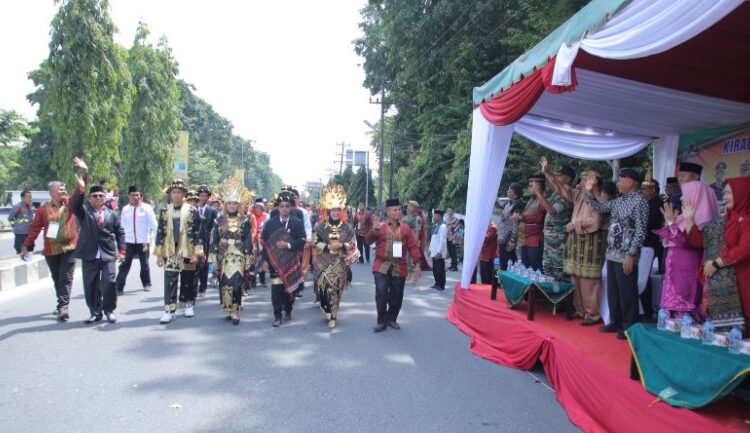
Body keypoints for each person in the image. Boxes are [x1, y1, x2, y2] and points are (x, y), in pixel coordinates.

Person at [542, 159, 606, 326]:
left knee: (588, 280)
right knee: (575, 277)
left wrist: (575, 225)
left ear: (595, 182)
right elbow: (562, 188)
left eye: (586, 180)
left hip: (591, 243)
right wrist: (547, 173)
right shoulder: (579, 194)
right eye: (583, 180)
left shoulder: (601, 196)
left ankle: (592, 314)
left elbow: (596, 222)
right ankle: (579, 309)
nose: (581, 182)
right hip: (576, 242)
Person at [586, 168, 649, 340]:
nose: (618, 183)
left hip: (626, 255)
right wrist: (590, 192)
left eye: (621, 180)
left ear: (631, 182)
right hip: (612, 253)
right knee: (613, 291)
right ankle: (615, 322)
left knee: (627, 292)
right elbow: (600, 207)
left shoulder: (640, 202)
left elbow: (641, 231)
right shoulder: (619, 200)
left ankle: (630, 327)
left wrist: (631, 254)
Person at [688, 177, 750, 331]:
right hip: (725, 286)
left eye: (729, 193)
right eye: (724, 193)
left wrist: (716, 263)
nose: (724, 197)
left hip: (744, 279)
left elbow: (745, 248)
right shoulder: (726, 219)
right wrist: (689, 219)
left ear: (743, 193)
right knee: (727, 334)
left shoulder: (747, 220)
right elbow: (700, 241)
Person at [70, 157, 125, 324]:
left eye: (101, 195)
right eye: (94, 196)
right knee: (91, 285)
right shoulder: (84, 212)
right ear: (89, 199)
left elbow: (120, 232)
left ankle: (109, 310)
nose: (98, 198)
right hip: (89, 254)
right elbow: (74, 205)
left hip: (108, 254)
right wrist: (81, 187)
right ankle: (95, 312)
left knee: (109, 283)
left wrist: (122, 250)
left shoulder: (112, 214)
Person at [656, 181, 718, 319]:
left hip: (688, 268)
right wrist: (671, 222)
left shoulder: (704, 220)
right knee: (672, 307)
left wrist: (672, 223)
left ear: (697, 197)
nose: (682, 199)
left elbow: (687, 243)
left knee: (685, 303)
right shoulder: (683, 218)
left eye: (686, 195)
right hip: (675, 266)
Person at [21, 181, 78, 321]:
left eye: (65, 189)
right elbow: (34, 229)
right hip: (51, 250)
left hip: (70, 248)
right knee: (57, 278)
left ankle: (63, 307)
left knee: (66, 278)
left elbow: (79, 192)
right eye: (60, 190)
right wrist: (26, 246)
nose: (64, 191)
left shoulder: (69, 204)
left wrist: (84, 174)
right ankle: (61, 304)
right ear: (51, 192)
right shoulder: (42, 210)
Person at [365, 198, 423, 332]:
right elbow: (367, 242)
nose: (398, 212)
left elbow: (413, 247)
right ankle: (381, 320)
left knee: (397, 294)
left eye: (399, 209)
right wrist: (372, 231)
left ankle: (392, 319)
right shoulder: (380, 226)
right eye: (395, 210)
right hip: (381, 264)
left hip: (399, 265)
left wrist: (418, 264)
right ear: (388, 212)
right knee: (381, 292)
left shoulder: (406, 228)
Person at [154, 180, 204, 324]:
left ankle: (188, 303)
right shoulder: (165, 210)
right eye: (174, 192)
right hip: (172, 250)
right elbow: (160, 233)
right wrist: (159, 254)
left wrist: (196, 253)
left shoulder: (192, 210)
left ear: (184, 194)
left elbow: (198, 233)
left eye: (179, 192)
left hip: (187, 250)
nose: (176, 195)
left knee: (188, 278)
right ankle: (169, 310)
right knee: (170, 280)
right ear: (170, 194)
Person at [312, 184, 358, 328]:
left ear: (341, 211)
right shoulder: (321, 226)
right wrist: (326, 246)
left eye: (338, 210)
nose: (336, 213)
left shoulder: (347, 227)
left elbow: (353, 244)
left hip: (340, 261)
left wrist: (341, 246)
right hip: (323, 261)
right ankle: (326, 307)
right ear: (329, 210)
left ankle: (333, 316)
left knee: (335, 289)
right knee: (324, 289)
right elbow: (315, 241)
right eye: (333, 210)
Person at [209, 176, 253, 325]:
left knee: (236, 283)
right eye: (230, 203)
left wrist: (248, 259)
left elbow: (248, 240)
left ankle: (236, 311)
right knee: (225, 283)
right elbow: (213, 241)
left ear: (239, 204)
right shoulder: (218, 220)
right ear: (225, 204)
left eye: (235, 203)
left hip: (239, 255)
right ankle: (228, 308)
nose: (232, 206)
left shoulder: (245, 220)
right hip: (223, 255)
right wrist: (213, 260)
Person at [261, 190, 307, 327]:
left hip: (291, 261)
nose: (284, 209)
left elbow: (302, 240)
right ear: (277, 207)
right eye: (281, 206)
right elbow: (265, 243)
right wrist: (264, 260)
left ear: (291, 207)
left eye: (287, 206)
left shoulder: (297, 222)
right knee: (276, 289)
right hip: (275, 263)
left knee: (290, 289)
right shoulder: (270, 223)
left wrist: (287, 244)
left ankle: (288, 309)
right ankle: (277, 316)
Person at [116, 186, 158, 294]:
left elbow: (154, 224)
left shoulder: (147, 208)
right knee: (125, 263)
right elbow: (122, 225)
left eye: (137, 195)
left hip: (143, 241)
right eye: (133, 195)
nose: (135, 197)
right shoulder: (126, 209)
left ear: (140, 196)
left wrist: (158, 239)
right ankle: (119, 286)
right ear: (129, 195)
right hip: (129, 242)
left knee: (144, 264)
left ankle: (147, 283)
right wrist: (122, 240)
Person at [538, 161, 574, 280]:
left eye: (560, 175)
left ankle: (560, 297)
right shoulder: (556, 192)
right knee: (547, 269)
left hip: (559, 241)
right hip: (550, 240)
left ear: (568, 179)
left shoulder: (567, 194)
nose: (556, 177)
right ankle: (549, 297)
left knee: (558, 271)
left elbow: (552, 210)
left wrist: (538, 194)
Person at [640, 175, 664, 319]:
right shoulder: (646, 202)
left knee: (645, 278)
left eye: (645, 188)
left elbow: (649, 223)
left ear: (653, 190)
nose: (642, 191)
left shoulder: (657, 204)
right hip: (645, 244)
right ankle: (644, 309)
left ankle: (648, 311)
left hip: (652, 245)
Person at [513, 175, 547, 271]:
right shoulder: (532, 199)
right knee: (525, 268)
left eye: (532, 185)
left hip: (535, 239)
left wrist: (521, 217)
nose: (529, 188)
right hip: (525, 238)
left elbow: (539, 217)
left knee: (536, 269)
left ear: (539, 186)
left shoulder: (543, 199)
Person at [195, 185, 219, 297]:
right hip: (194, 240)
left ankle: (203, 287)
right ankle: (194, 285)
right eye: (201, 195)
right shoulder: (193, 209)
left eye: (205, 196)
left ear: (208, 197)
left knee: (204, 264)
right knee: (194, 263)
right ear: (198, 196)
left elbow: (216, 225)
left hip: (207, 240)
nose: (203, 198)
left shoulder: (212, 210)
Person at [497, 183, 524, 271]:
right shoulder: (509, 203)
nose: (507, 191)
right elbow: (499, 204)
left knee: (507, 263)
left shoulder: (518, 205)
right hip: (503, 238)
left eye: (510, 190)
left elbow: (516, 224)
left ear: (515, 194)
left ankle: (504, 283)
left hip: (509, 240)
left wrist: (513, 240)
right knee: (506, 261)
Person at [403, 200, 425, 284]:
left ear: (415, 208)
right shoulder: (407, 217)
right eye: (408, 206)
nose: (408, 207)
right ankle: (408, 275)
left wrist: (414, 244)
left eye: (410, 206)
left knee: (413, 260)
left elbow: (417, 231)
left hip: (412, 242)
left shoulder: (417, 218)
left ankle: (414, 278)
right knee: (407, 259)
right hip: (405, 241)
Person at [429, 209, 448, 290]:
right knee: (435, 269)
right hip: (434, 251)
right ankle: (437, 283)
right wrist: (430, 249)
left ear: (439, 216)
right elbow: (433, 239)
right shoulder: (436, 225)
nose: (433, 217)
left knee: (440, 270)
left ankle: (441, 285)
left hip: (438, 253)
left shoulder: (443, 226)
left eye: (435, 215)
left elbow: (442, 240)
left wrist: (438, 252)